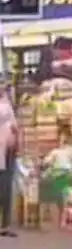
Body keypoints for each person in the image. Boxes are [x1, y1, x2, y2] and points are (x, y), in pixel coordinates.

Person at [0, 90, 18, 237]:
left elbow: (15, 126)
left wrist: (15, 139)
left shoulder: (6, 102)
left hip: (8, 152)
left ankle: (5, 224)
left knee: (6, 188)